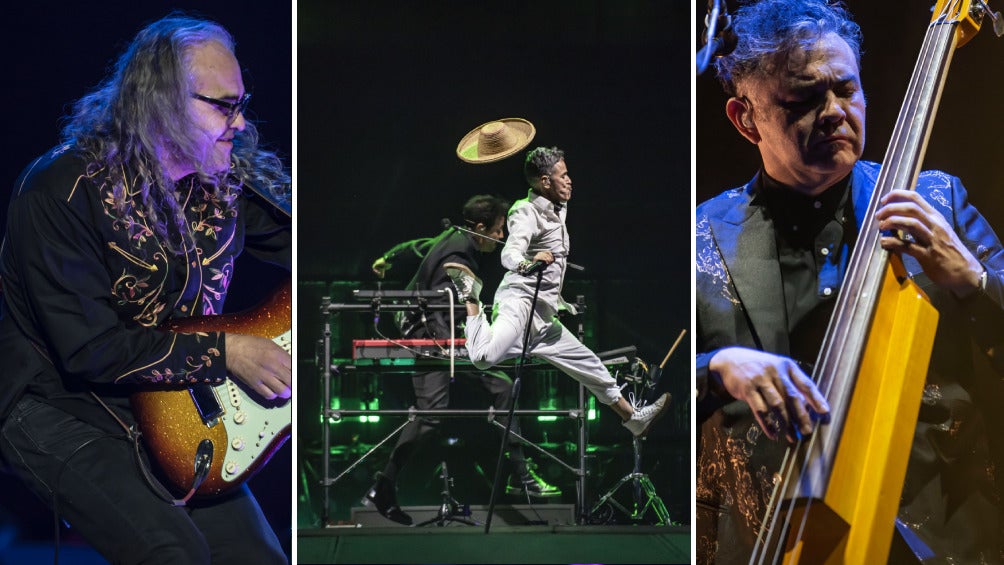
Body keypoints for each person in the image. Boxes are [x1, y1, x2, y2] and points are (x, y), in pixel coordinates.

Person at [695, 1, 1004, 563]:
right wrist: (717, 370)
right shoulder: (701, 240)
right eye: (806, 98)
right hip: (779, 541)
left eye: (847, 89)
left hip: (942, 540)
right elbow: (656, 389)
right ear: (746, 118)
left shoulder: (938, 200)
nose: (836, 112)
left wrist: (971, 277)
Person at [0, 14, 291, 564]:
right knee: (169, 554)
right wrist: (229, 352)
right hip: (56, 408)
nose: (241, 122)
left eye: (241, 102)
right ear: (160, 102)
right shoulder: (60, 190)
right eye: (222, 105)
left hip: (172, 408)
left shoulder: (220, 180)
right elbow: (90, 347)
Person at [445, 146, 670, 440]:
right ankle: (471, 297)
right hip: (520, 303)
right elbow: (509, 254)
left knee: (588, 363)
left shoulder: (557, 208)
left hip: (544, 315)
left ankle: (633, 418)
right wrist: (528, 262)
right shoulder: (524, 212)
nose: (570, 180)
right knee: (484, 356)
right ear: (544, 181)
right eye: (562, 175)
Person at [363, 194, 560, 526]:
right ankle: (382, 487)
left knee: (500, 386)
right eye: (498, 231)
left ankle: (519, 474)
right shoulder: (460, 252)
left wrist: (388, 257)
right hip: (429, 336)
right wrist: (459, 346)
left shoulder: (453, 235)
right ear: (480, 228)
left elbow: (418, 244)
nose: (501, 239)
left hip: (438, 333)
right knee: (430, 417)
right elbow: (445, 303)